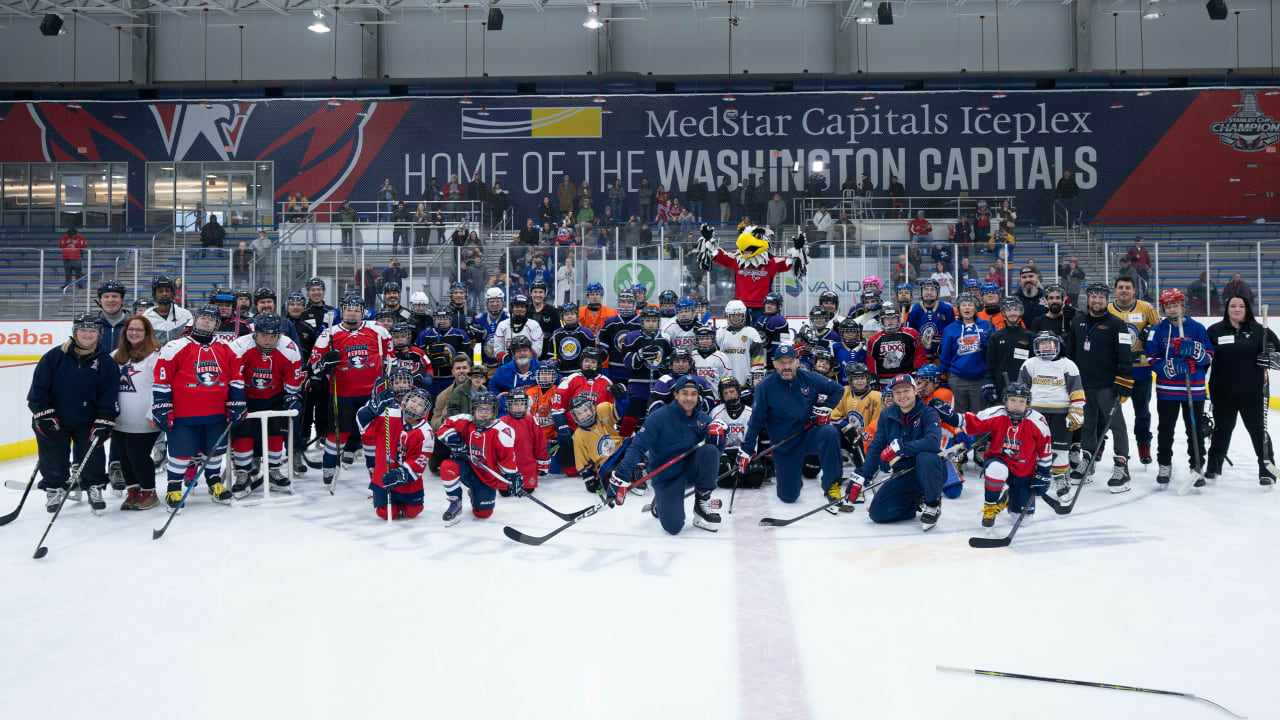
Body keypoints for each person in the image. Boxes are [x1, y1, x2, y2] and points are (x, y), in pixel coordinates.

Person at [607, 375, 724, 534]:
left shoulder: (703, 419)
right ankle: (661, 502)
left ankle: (702, 503)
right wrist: (621, 475)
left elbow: (715, 455)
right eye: (684, 393)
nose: (689, 398)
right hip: (666, 477)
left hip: (689, 470)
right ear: (676, 395)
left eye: (693, 394)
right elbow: (638, 447)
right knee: (674, 527)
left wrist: (720, 436)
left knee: (710, 450)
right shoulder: (659, 417)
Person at [153, 305, 245, 507]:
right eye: (202, 318)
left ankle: (214, 483)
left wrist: (237, 402)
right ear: (194, 320)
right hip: (184, 413)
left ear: (217, 324)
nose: (206, 322)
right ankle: (174, 489)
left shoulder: (227, 348)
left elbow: (236, 377)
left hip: (216, 412)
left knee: (215, 450)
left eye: (211, 320)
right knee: (180, 452)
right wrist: (162, 405)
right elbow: (162, 379)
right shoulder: (175, 346)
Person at [28, 313, 120, 513]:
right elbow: (38, 389)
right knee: (52, 455)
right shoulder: (54, 357)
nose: (88, 334)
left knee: (92, 453)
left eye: (92, 330)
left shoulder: (106, 362)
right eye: (83, 329)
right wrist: (43, 412)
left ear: (99, 333)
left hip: (88, 420)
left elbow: (109, 395)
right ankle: (54, 487)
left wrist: (105, 418)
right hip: (56, 418)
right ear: (75, 331)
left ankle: (94, 486)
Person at [741, 345, 844, 505]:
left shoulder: (808, 377)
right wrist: (747, 450)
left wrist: (825, 408)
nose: (787, 366)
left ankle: (832, 485)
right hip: (784, 445)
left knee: (829, 433)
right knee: (788, 497)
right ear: (774, 364)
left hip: (807, 435)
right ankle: (793, 478)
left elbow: (837, 389)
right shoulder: (765, 387)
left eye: (790, 361)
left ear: (797, 362)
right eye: (782, 362)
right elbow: (756, 420)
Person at [310, 292, 393, 487]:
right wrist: (324, 365)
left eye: (357, 310)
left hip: (372, 395)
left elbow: (389, 359)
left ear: (364, 313)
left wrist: (388, 378)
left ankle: (374, 467)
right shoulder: (328, 334)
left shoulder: (378, 329)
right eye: (349, 310)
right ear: (342, 311)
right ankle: (329, 466)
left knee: (371, 434)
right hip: (342, 395)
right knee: (338, 434)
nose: (353, 314)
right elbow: (314, 369)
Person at [850, 373, 946, 529]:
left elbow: (933, 443)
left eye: (906, 390)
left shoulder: (928, 412)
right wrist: (863, 476)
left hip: (930, 471)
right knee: (878, 514)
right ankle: (913, 501)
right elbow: (876, 446)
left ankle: (933, 503)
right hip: (904, 472)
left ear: (915, 391)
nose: (902, 396)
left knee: (925, 456)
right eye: (897, 392)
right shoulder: (887, 415)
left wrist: (902, 448)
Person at [227, 312, 304, 499]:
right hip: (246, 398)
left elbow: (293, 378)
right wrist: (236, 400)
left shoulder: (289, 347)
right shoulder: (239, 346)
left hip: (275, 398)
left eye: (273, 336)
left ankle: (274, 470)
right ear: (255, 333)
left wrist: (291, 396)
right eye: (264, 336)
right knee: (243, 433)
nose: (268, 340)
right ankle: (243, 474)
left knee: (277, 432)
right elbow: (232, 375)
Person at [1145, 288, 1214, 494]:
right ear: (1163, 308)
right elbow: (1150, 357)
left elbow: (1209, 357)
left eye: (1175, 305)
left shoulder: (1198, 328)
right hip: (1167, 390)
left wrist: (1195, 351)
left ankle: (1197, 466)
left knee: (1194, 430)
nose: (1172, 309)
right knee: (1165, 429)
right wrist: (1167, 367)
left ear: (1182, 305)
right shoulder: (1157, 330)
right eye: (1168, 306)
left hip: (1194, 388)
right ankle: (1164, 464)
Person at [958, 378, 1053, 527]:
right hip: (1000, 459)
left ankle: (1009, 497)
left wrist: (1044, 472)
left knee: (1023, 521)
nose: (1016, 405)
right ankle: (990, 507)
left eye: (1022, 401)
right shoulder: (997, 413)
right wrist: (948, 415)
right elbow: (972, 423)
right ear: (1005, 401)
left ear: (1028, 403)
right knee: (997, 470)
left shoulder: (1038, 421)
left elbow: (1045, 449)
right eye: (1012, 400)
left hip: (1024, 470)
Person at [1065, 282, 1133, 485]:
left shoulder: (1117, 324)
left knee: (1116, 425)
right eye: (1093, 296)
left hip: (1107, 385)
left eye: (1101, 297)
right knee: (1087, 425)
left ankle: (1122, 465)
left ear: (1107, 299)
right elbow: (1070, 353)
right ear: (1088, 298)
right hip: (1084, 385)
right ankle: (1088, 458)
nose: (1097, 300)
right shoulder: (1078, 321)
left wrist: (1123, 381)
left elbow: (1125, 356)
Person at [1208, 296, 1279, 487]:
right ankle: (1213, 468)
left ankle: (1267, 470)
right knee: (1221, 429)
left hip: (1253, 391)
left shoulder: (1260, 331)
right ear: (1227, 309)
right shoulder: (1215, 331)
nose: (1237, 309)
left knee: (1257, 430)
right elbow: (1203, 361)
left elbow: (1279, 356)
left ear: (1247, 308)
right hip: (1222, 390)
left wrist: (1272, 358)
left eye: (1241, 306)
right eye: (1233, 306)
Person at [437, 391, 521, 524]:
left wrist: (512, 475)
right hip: (467, 469)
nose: (483, 412)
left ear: (494, 412)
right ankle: (455, 502)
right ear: (473, 409)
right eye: (480, 408)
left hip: (486, 476)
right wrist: (453, 439)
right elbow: (443, 427)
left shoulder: (503, 431)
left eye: (488, 409)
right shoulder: (464, 420)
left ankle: (474, 493)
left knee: (482, 514)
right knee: (448, 466)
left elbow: (507, 458)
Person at [1107, 276, 1160, 466]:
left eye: (1128, 287)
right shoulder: (1108, 309)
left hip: (1140, 369)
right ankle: (1099, 446)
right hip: (1115, 370)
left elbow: (1161, 330)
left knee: (1143, 412)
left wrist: (1151, 334)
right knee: (1108, 412)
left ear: (1134, 290)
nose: (1124, 290)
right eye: (1120, 287)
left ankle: (1143, 444)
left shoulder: (1145, 308)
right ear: (1115, 290)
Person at [361, 385, 432, 520]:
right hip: (384, 473)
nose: (414, 405)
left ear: (425, 410)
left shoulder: (425, 431)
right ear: (406, 401)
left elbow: (420, 459)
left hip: (408, 479)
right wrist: (373, 407)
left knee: (413, 511)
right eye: (413, 401)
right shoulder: (388, 414)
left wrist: (402, 474)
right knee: (386, 513)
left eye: (420, 404)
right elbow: (362, 424)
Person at [939, 293, 993, 417]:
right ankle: (960, 437)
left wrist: (989, 345)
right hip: (957, 379)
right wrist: (942, 376)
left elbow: (994, 355)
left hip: (979, 380)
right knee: (958, 417)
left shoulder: (987, 326)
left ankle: (979, 438)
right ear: (959, 308)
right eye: (963, 305)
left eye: (970, 304)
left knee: (979, 417)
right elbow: (945, 355)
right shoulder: (950, 329)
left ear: (976, 308)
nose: (967, 308)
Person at [95, 280, 130, 354]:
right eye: (106, 297)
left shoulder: (133, 323)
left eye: (114, 296)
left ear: (122, 301)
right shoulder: (92, 324)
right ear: (100, 301)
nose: (110, 300)